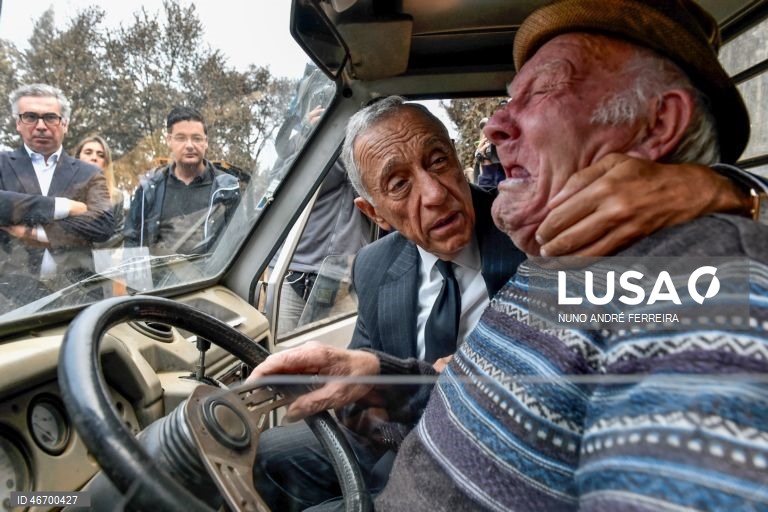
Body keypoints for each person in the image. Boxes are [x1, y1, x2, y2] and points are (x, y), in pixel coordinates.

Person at [250, 1, 768, 510]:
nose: (494, 125)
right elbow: (514, 391)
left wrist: (728, 193)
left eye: (542, 90)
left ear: (657, 125)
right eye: (507, 98)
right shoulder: (556, 255)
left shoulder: (693, 286)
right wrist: (387, 381)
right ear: (375, 212)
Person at [0, 84, 113, 308]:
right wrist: (61, 207)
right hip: (9, 299)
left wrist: (36, 232)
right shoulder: (2, 164)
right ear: (18, 123)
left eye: (50, 117)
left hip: (78, 296)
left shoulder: (89, 173)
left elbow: (103, 224)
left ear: (65, 124)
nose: (41, 126)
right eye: (30, 117)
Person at [123, 106, 240, 255]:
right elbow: (131, 241)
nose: (190, 145)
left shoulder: (228, 190)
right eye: (181, 138)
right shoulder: (149, 189)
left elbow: (240, 241)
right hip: (158, 277)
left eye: (196, 138)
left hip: (213, 277)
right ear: (169, 140)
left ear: (206, 142)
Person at [74, 135, 125, 248]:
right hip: (67, 260)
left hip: (101, 260)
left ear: (105, 163)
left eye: (101, 155)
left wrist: (92, 249)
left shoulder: (116, 196)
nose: (94, 158)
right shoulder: (63, 190)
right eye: (88, 152)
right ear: (78, 158)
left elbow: (118, 233)